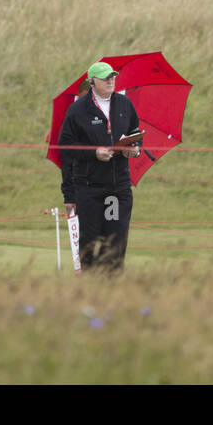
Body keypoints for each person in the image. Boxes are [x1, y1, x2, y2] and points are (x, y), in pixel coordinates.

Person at [57, 61, 143, 273]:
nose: (111, 81)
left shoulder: (124, 104)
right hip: (90, 189)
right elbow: (65, 145)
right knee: (90, 243)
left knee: (115, 240)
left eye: (113, 77)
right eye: (106, 78)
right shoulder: (77, 110)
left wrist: (134, 149)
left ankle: (112, 291)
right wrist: (94, 152)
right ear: (92, 82)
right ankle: (89, 289)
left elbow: (135, 131)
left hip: (117, 189)